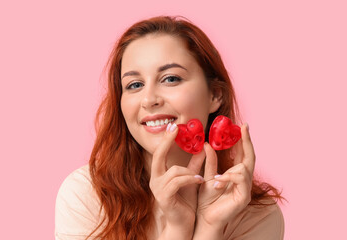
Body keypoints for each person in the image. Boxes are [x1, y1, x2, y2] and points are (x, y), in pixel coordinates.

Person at [55, 15, 285, 240]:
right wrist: (177, 229)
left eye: (171, 79)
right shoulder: (85, 195)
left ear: (215, 95)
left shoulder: (257, 214)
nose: (149, 99)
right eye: (135, 85)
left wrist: (209, 226)